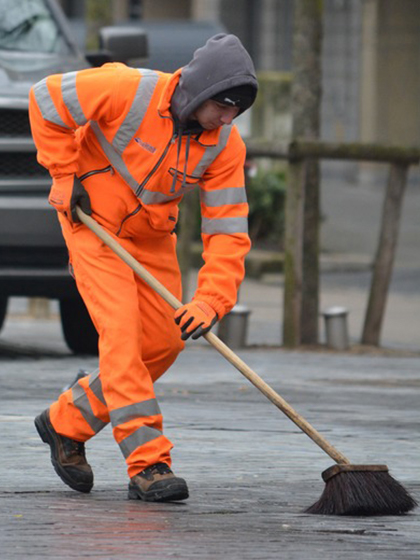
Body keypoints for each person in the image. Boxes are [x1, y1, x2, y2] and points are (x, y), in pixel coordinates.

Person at [29, 33, 258, 502]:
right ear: (200, 90)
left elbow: (228, 231)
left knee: (163, 343)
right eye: (223, 106)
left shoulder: (224, 146)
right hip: (90, 223)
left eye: (237, 111)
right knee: (122, 335)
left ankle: (65, 422)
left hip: (151, 237)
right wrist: (64, 175)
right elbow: (43, 100)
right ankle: (148, 462)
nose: (228, 118)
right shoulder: (125, 88)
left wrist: (212, 299)